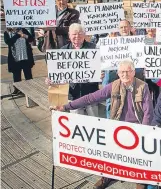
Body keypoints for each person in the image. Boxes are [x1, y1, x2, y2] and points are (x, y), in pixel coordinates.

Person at [50, 59, 153, 189]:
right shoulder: (114, 85)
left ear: (133, 72)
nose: (125, 74)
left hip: (137, 127)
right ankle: (109, 175)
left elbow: (148, 112)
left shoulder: (143, 86)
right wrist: (66, 107)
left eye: (128, 71)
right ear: (117, 73)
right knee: (110, 151)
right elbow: (91, 98)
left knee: (140, 154)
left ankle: (140, 178)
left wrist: (142, 133)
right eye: (122, 72)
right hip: (117, 127)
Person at [47, 23, 99, 116]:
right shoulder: (63, 51)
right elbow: (58, 72)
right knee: (77, 121)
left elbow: (99, 66)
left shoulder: (94, 48)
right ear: (69, 35)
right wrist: (51, 79)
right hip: (73, 95)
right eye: (74, 34)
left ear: (84, 34)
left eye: (80, 33)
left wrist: (100, 73)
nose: (77, 36)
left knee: (94, 120)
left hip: (91, 93)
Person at [4, 27, 35, 95]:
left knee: (28, 75)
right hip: (15, 58)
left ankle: (30, 88)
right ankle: (18, 89)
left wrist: (24, 35)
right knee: (16, 75)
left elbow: (31, 39)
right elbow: (8, 42)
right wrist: (18, 35)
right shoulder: (7, 32)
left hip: (25, 57)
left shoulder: (23, 30)